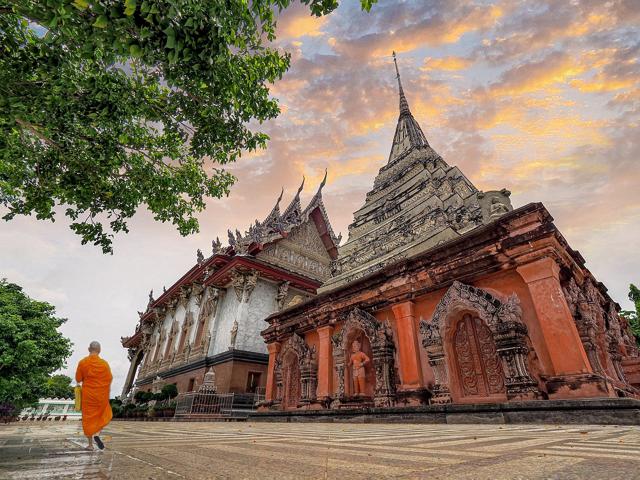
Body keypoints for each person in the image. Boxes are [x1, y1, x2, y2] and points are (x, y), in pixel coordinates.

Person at [75, 341, 113, 451]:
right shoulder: (104, 364)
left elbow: (78, 379)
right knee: (101, 415)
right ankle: (97, 433)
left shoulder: (83, 362)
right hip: (101, 396)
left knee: (88, 418)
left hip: (88, 395)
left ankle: (90, 445)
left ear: (88, 349)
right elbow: (109, 378)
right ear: (99, 350)